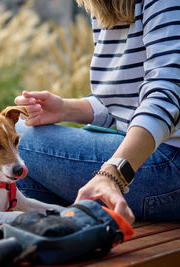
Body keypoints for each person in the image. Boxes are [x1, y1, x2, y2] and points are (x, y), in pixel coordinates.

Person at [14, 0, 180, 224]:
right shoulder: (105, 6)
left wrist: (113, 174)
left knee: (16, 138)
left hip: (170, 165)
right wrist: (65, 109)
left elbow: (168, 94)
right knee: (26, 185)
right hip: (153, 159)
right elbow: (124, 103)